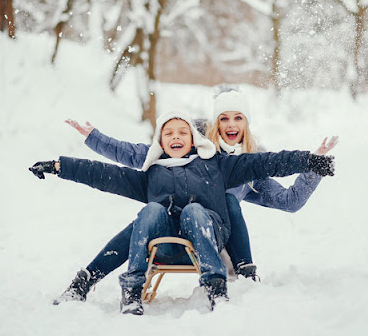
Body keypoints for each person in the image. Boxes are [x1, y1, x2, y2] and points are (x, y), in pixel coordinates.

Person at [52, 85, 338, 306]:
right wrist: (90, 141)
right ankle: (87, 281)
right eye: (223, 118)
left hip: (214, 236)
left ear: (246, 123)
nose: (231, 125)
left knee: (225, 200)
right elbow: (125, 161)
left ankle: (245, 270)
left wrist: (311, 164)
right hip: (169, 227)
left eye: (238, 118)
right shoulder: (183, 143)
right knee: (149, 214)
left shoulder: (237, 164)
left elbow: (285, 192)